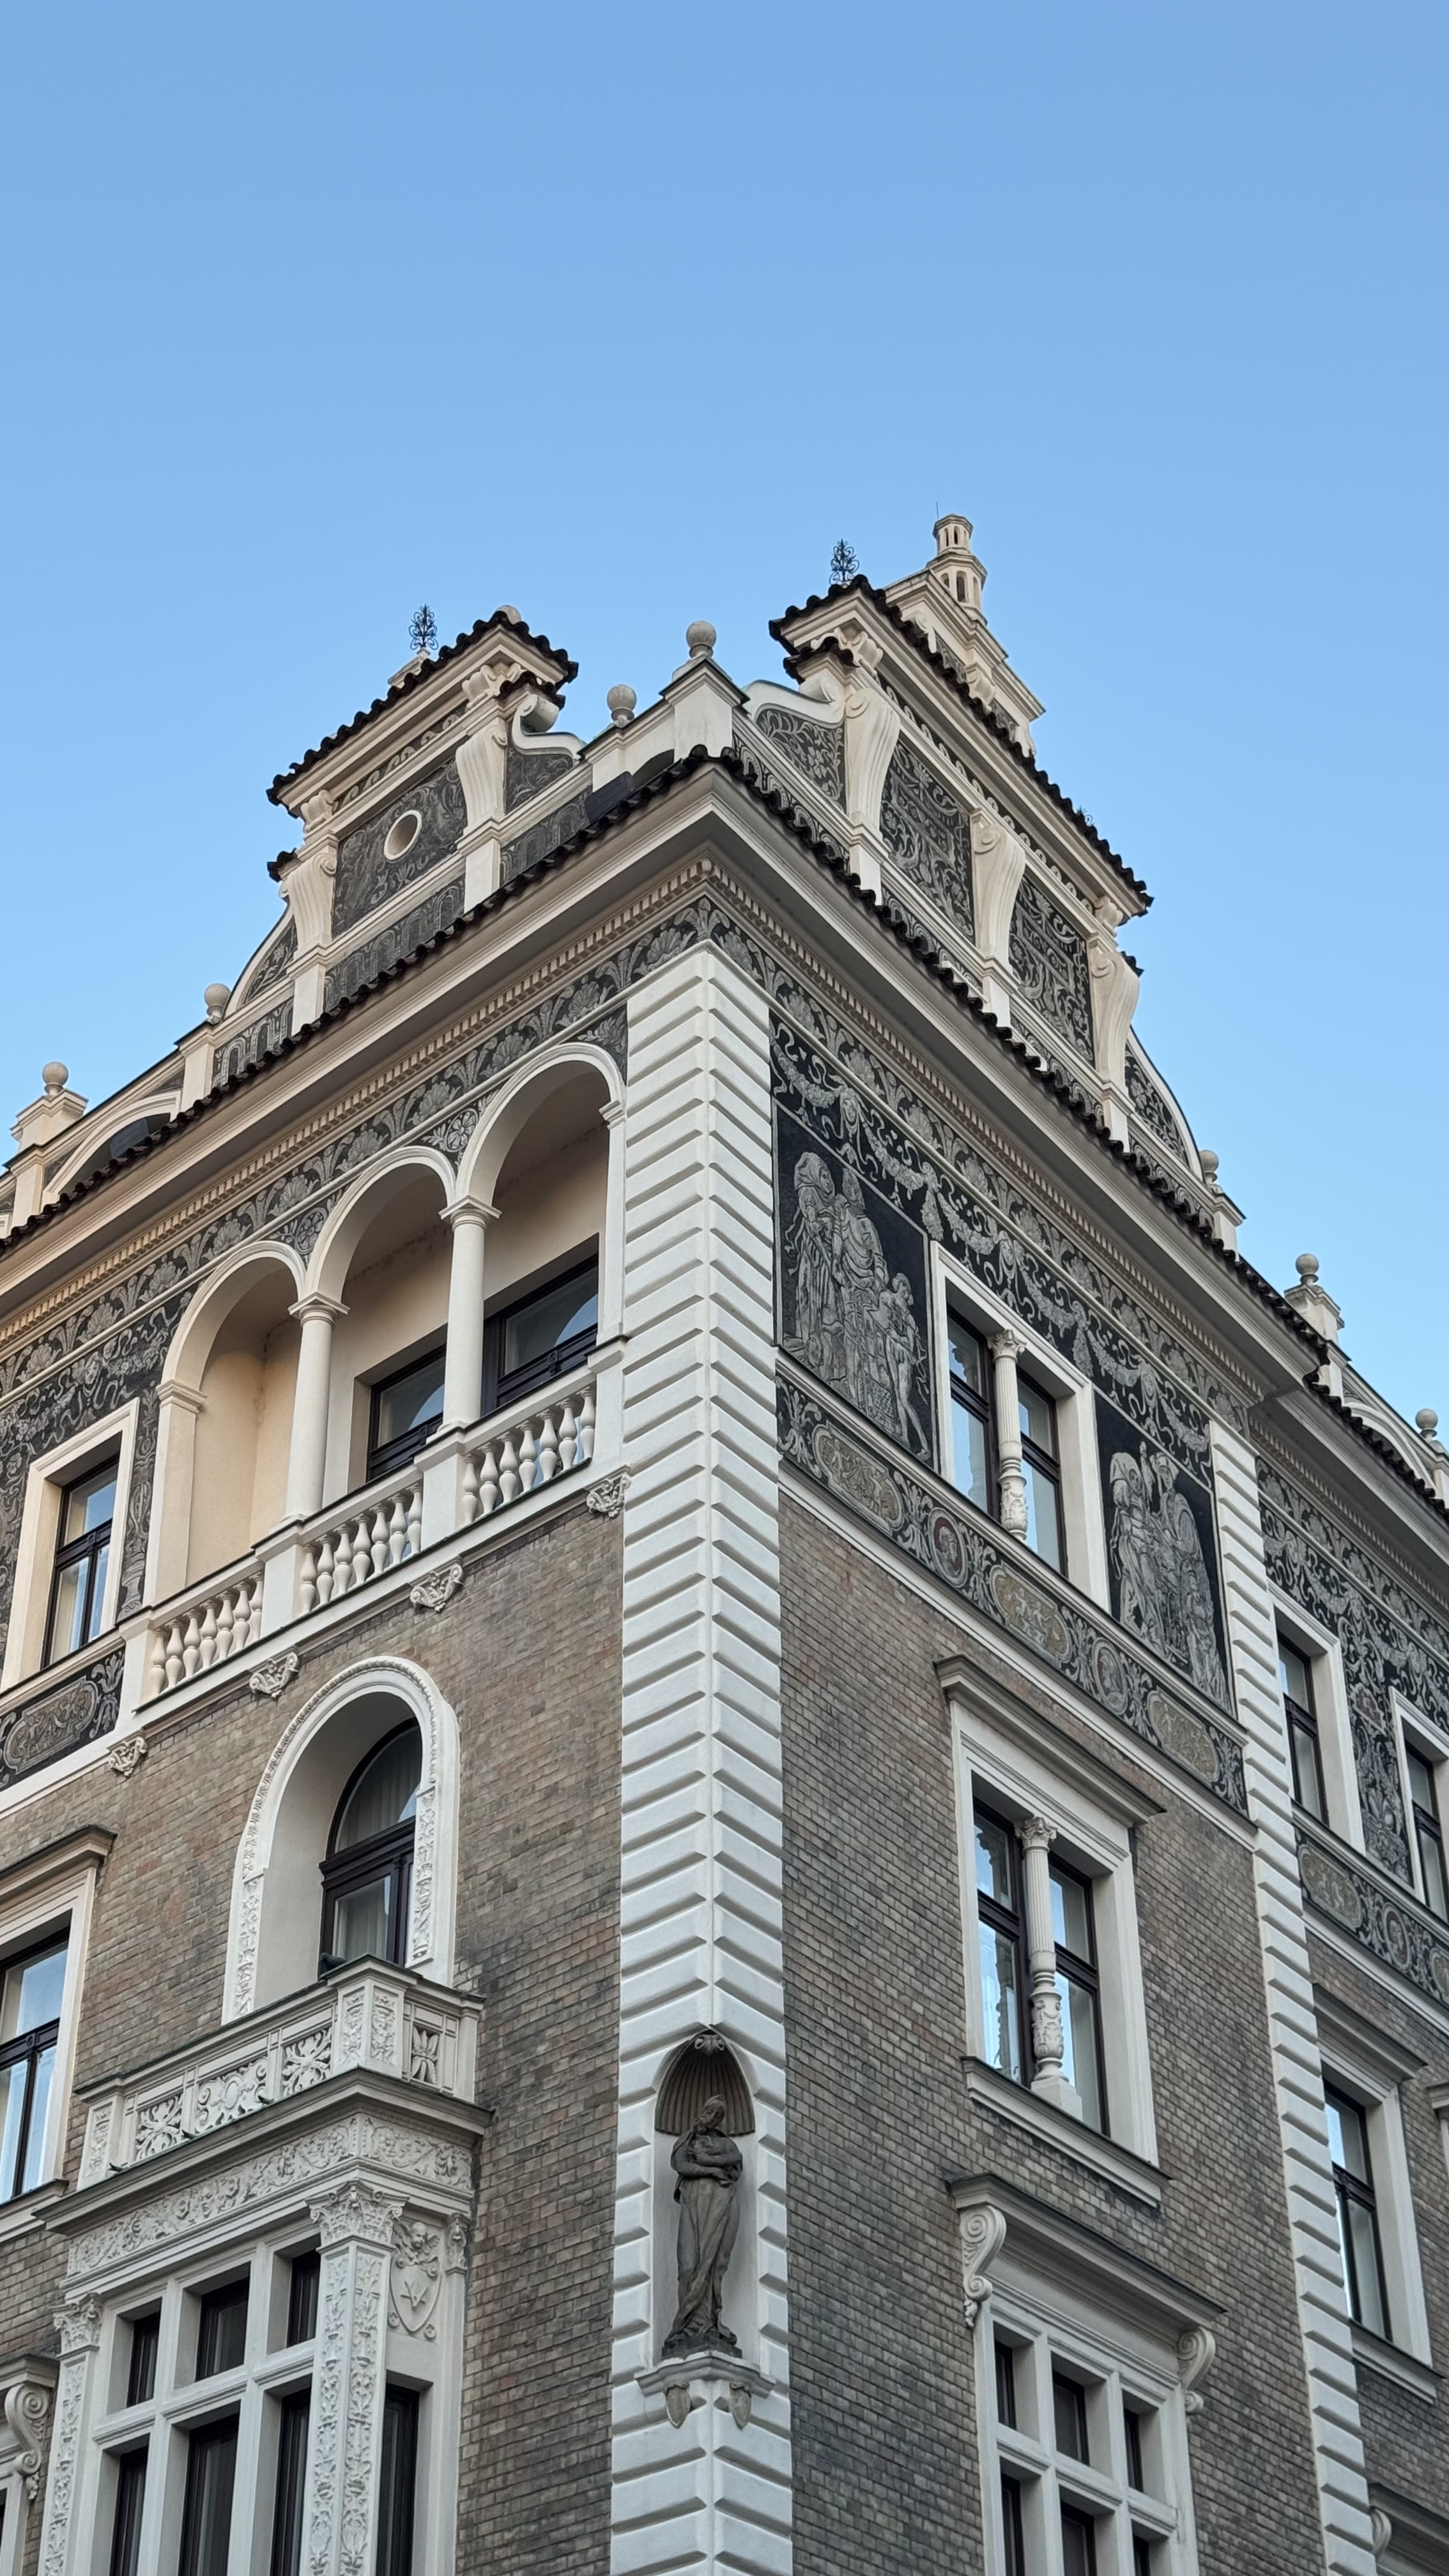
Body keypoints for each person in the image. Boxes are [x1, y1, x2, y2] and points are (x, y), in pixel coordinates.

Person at [664, 2096, 744, 2354]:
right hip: (693, 2205)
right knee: (689, 2266)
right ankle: (686, 2326)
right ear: (702, 2111)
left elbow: (736, 2159)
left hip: (720, 2205)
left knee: (713, 2264)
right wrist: (711, 2170)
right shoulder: (687, 2141)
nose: (713, 2118)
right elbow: (680, 2165)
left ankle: (708, 2323)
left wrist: (707, 2162)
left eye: (718, 2115)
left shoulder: (725, 2143)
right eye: (710, 2112)